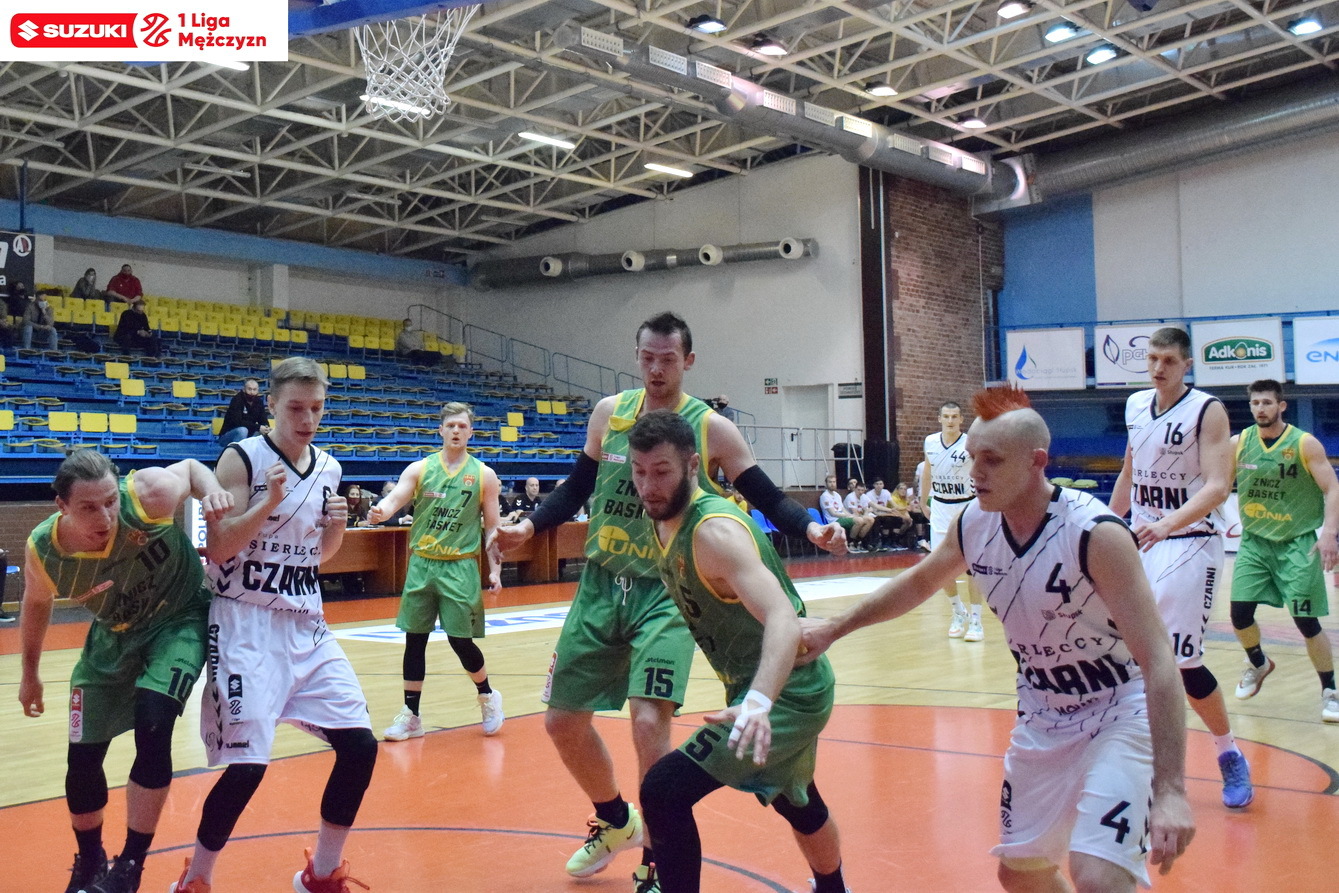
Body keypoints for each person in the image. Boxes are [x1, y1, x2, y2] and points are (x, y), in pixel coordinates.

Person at [491, 312, 844, 889]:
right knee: (560, 722)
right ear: (637, 358)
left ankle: (658, 864)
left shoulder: (710, 432)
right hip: (602, 581)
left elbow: (764, 494)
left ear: (688, 362)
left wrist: (810, 528)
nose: (656, 369)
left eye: (668, 359)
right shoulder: (610, 414)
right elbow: (577, 486)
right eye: (648, 358)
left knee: (649, 722)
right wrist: (529, 526)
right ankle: (615, 821)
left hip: (665, 587)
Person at [801, 387, 1196, 893]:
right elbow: (920, 582)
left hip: (1118, 711)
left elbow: (1160, 661)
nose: (975, 472)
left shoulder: (1096, 534)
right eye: (972, 458)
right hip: (1043, 716)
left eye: (991, 460)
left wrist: (1171, 789)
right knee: (1021, 876)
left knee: (1098, 876)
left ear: (1036, 462)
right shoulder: (974, 522)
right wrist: (834, 628)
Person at [171, 357, 378, 893]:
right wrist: (269, 502)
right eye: (296, 408)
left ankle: (323, 873)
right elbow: (220, 547)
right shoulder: (241, 458)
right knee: (247, 768)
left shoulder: (329, 468)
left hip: (306, 623)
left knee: (360, 748)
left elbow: (317, 556)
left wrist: (336, 529)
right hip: (245, 623)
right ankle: (196, 878)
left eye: (317, 408)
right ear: (271, 406)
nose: (307, 419)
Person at [628, 411, 847, 893]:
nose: (648, 486)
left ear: (692, 466)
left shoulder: (714, 533)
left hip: (789, 692)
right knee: (798, 802)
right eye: (639, 472)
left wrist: (759, 702)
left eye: (661, 472)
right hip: (759, 686)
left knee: (663, 791)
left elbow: (782, 617)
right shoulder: (661, 517)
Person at [18, 449, 234, 893]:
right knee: (82, 758)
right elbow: (36, 604)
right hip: (114, 636)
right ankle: (90, 859)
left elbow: (192, 468)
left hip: (178, 620)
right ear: (61, 506)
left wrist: (213, 491)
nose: (106, 516)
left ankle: (131, 864)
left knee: (154, 725)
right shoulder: (44, 550)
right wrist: (29, 673)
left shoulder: (149, 495)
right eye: (89, 507)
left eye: (110, 501)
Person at [1109, 326, 1251, 809]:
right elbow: (1130, 473)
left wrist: (1166, 524)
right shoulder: (1134, 405)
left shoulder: (1207, 410)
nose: (1158, 367)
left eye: (1168, 360)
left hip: (1189, 542)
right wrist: (1102, 526)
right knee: (1129, 657)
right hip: (1143, 541)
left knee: (1181, 662)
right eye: (1152, 358)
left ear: (1187, 364)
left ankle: (1228, 752)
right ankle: (1138, 761)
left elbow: (1217, 486)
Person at [369, 401, 506, 740]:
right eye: (451, 426)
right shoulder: (421, 468)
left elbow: (492, 528)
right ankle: (411, 716)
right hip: (422, 563)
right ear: (441, 430)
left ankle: (487, 695)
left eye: (462, 426)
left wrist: (495, 570)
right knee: (414, 640)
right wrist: (381, 511)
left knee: (461, 641)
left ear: (471, 432)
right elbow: (396, 498)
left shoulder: (484, 475)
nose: (456, 431)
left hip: (460, 565)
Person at [1227, 379, 1339, 722]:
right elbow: (1218, 485)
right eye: (1255, 403)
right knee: (1239, 614)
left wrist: (1330, 533)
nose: (1260, 408)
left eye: (1267, 402)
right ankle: (1258, 662)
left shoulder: (1304, 443)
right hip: (1255, 542)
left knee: (1306, 621)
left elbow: (1332, 488)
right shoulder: (1239, 443)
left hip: (1297, 543)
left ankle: (1330, 691)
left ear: (1281, 405)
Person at [922, 401, 985, 641]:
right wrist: (923, 500)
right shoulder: (930, 442)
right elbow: (928, 471)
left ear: (961, 419)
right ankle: (958, 611)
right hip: (940, 506)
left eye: (954, 416)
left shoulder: (970, 443)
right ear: (939, 418)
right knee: (940, 568)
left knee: (972, 567)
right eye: (946, 416)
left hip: (967, 505)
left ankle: (976, 620)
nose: (950, 421)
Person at [819, 473, 874, 553]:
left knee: (870, 520)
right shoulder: (825, 496)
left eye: (834, 482)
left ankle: (858, 542)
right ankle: (851, 544)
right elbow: (833, 513)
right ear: (826, 484)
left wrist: (850, 515)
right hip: (834, 520)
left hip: (842, 516)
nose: (832, 484)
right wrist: (847, 516)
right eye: (830, 482)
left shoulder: (837, 495)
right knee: (859, 521)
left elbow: (843, 509)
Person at [216, 379, 269, 447]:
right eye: (249, 389)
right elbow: (237, 422)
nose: (252, 392)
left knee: (265, 433)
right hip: (227, 436)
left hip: (248, 436)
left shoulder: (259, 402)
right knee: (243, 430)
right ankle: (236, 452)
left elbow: (263, 419)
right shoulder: (237, 400)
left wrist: (266, 427)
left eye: (254, 389)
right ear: (244, 389)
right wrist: (258, 427)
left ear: (258, 391)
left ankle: (251, 452)